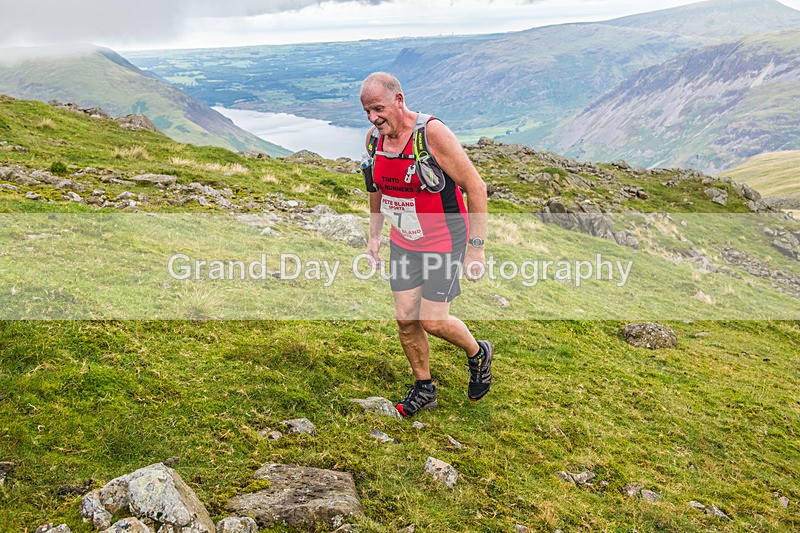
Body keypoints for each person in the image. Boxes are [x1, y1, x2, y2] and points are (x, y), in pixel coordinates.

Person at [359, 72, 494, 418]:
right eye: (367, 112)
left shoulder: (431, 134)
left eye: (378, 109)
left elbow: (475, 188)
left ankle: (478, 353)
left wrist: (476, 249)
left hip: (445, 240)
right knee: (406, 319)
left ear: (399, 100)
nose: (374, 118)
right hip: (404, 241)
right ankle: (424, 388)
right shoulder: (374, 140)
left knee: (433, 321)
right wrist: (374, 237)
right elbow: (375, 187)